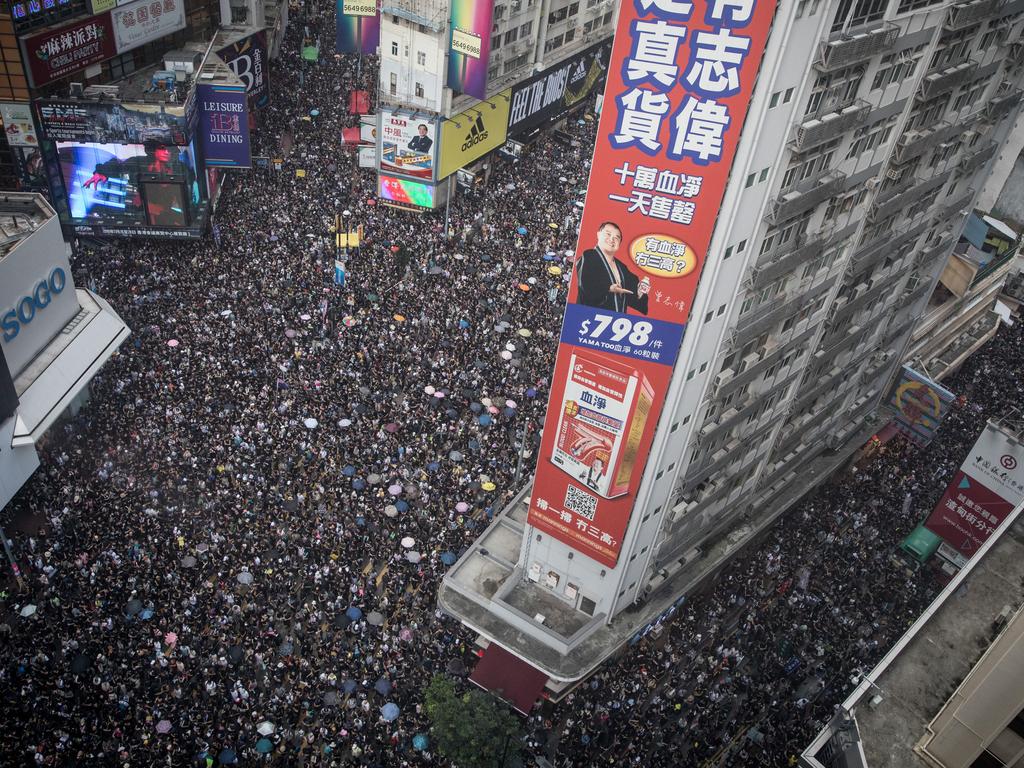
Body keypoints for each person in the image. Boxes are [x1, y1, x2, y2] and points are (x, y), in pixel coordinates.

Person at [575, 221, 649, 315]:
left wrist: (639, 292)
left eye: (616, 238)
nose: (612, 239)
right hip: (590, 317)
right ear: (598, 234)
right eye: (608, 234)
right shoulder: (589, 256)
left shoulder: (622, 268)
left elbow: (633, 298)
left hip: (617, 323)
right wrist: (608, 288)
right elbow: (586, 286)